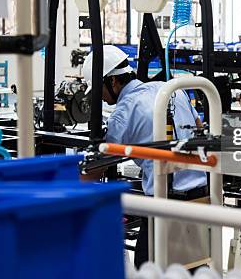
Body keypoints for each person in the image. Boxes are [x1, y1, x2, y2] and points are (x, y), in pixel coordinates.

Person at [82, 45, 207, 268]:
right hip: (203, 196)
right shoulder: (171, 89)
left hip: (166, 202)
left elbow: (98, 167)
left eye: (98, 88)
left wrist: (63, 184)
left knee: (146, 268)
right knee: (196, 264)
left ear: (112, 81)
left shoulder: (123, 113)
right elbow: (199, 127)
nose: (99, 97)